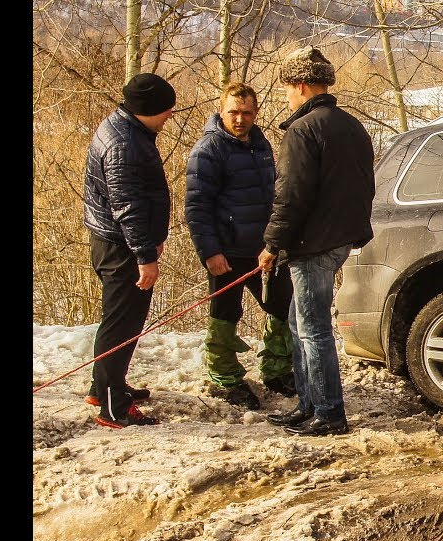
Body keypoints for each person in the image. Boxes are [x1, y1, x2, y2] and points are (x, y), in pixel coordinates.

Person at [259, 47, 375, 437]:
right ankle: (308, 405)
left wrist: (273, 243)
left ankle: (328, 413)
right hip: (340, 237)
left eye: (287, 89)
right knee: (299, 322)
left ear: (302, 86)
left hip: (312, 243)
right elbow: (364, 185)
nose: (286, 96)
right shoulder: (351, 125)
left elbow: (291, 194)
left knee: (313, 330)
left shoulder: (302, 130)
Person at [185, 82, 296, 411]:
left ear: (256, 113)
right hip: (227, 250)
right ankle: (224, 377)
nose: (240, 119)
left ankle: (275, 370)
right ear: (222, 111)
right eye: (233, 112)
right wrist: (210, 252)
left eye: (247, 112)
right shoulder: (208, 149)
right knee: (225, 313)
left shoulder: (261, 144)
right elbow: (196, 207)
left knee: (280, 306)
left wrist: (275, 241)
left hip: (264, 249)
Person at [81, 72, 177, 428]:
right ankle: (113, 406)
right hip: (120, 246)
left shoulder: (127, 130)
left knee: (119, 319)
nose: (170, 115)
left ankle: (105, 385)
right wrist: (145, 256)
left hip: (115, 240)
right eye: (166, 109)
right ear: (147, 109)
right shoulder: (124, 143)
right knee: (121, 323)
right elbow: (128, 205)